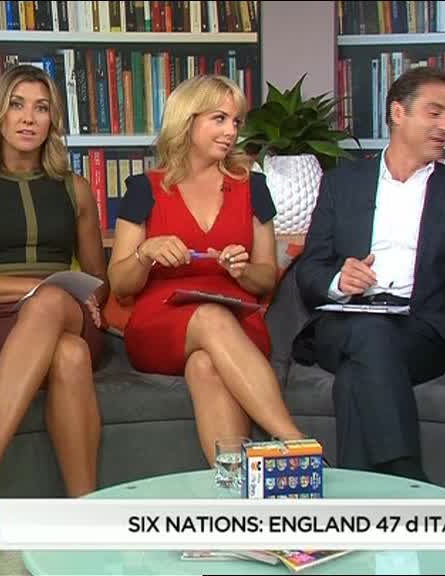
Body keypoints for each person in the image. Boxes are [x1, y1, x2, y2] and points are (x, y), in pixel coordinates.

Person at [294, 67, 445, 481]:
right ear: (397, 113)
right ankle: (408, 477)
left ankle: (364, 495)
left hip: (421, 329)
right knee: (369, 334)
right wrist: (339, 281)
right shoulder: (342, 184)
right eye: (435, 113)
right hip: (346, 320)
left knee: (355, 378)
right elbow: (311, 271)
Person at [107, 75, 305, 466]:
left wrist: (242, 271)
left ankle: (236, 486)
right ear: (188, 119)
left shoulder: (253, 187)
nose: (231, 131)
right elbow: (119, 284)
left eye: (236, 121)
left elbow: (266, 278)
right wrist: (145, 253)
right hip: (160, 323)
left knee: (205, 365)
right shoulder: (145, 188)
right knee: (209, 318)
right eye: (219, 119)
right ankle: (295, 442)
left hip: (238, 323)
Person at [0, 64, 108, 499]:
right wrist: (38, 288)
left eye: (41, 108)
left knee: (51, 308)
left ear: (52, 120)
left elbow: (98, 282)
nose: (29, 118)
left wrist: (58, 293)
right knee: (68, 355)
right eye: (17, 105)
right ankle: (86, 507)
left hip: (69, 314)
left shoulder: (75, 188)